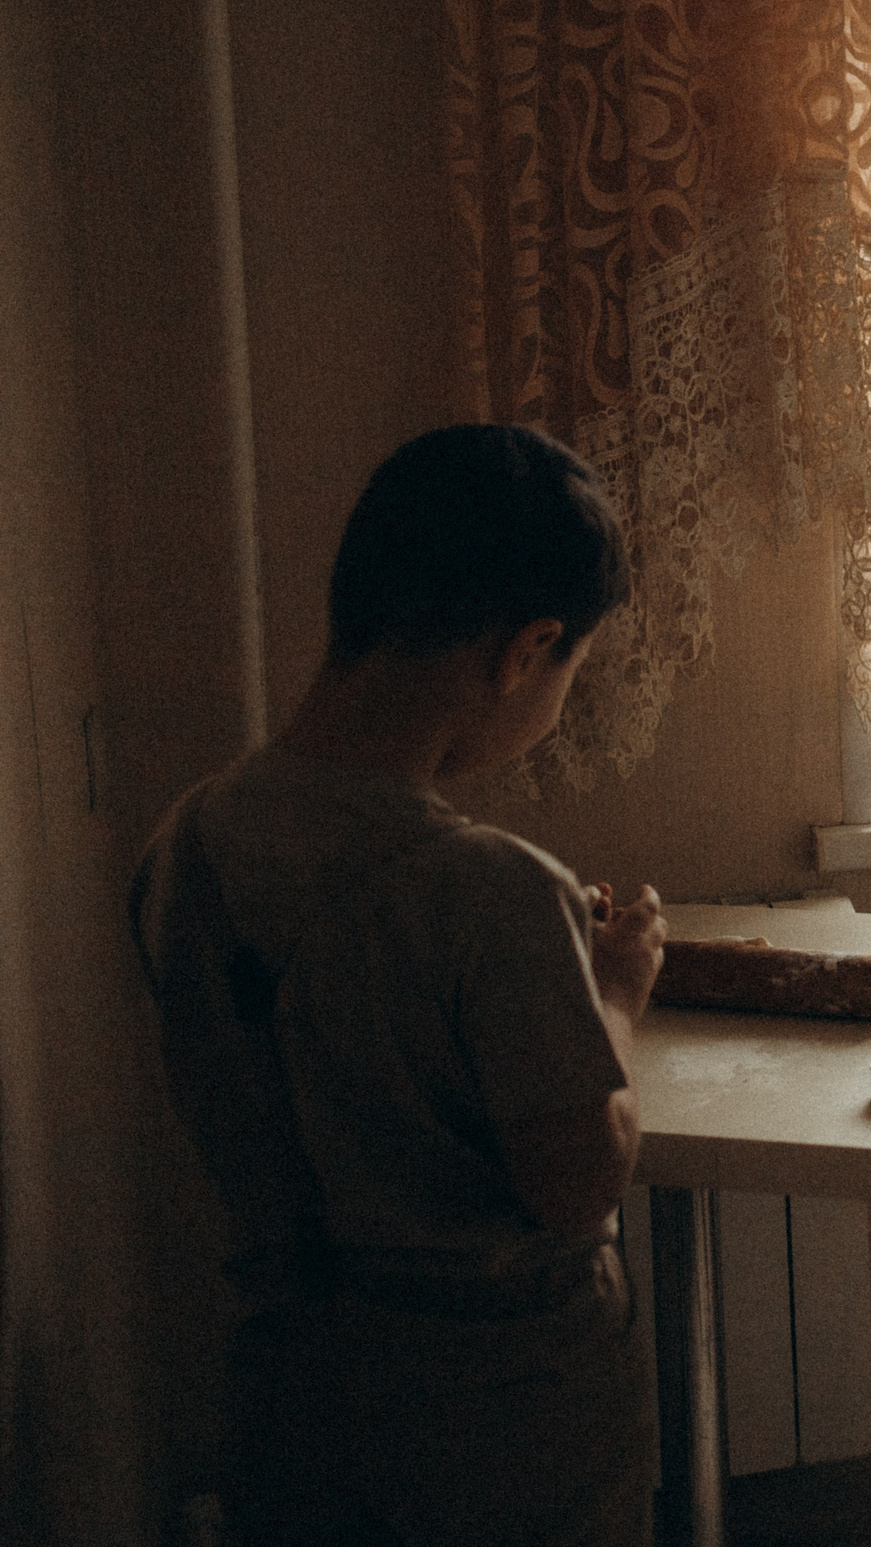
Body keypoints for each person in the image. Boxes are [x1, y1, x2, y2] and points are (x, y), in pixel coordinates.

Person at [130, 425, 665, 1546]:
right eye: (570, 670)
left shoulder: (186, 843)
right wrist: (614, 995)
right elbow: (578, 1181)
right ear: (528, 650)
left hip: (288, 1399)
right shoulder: (493, 891)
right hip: (499, 1429)